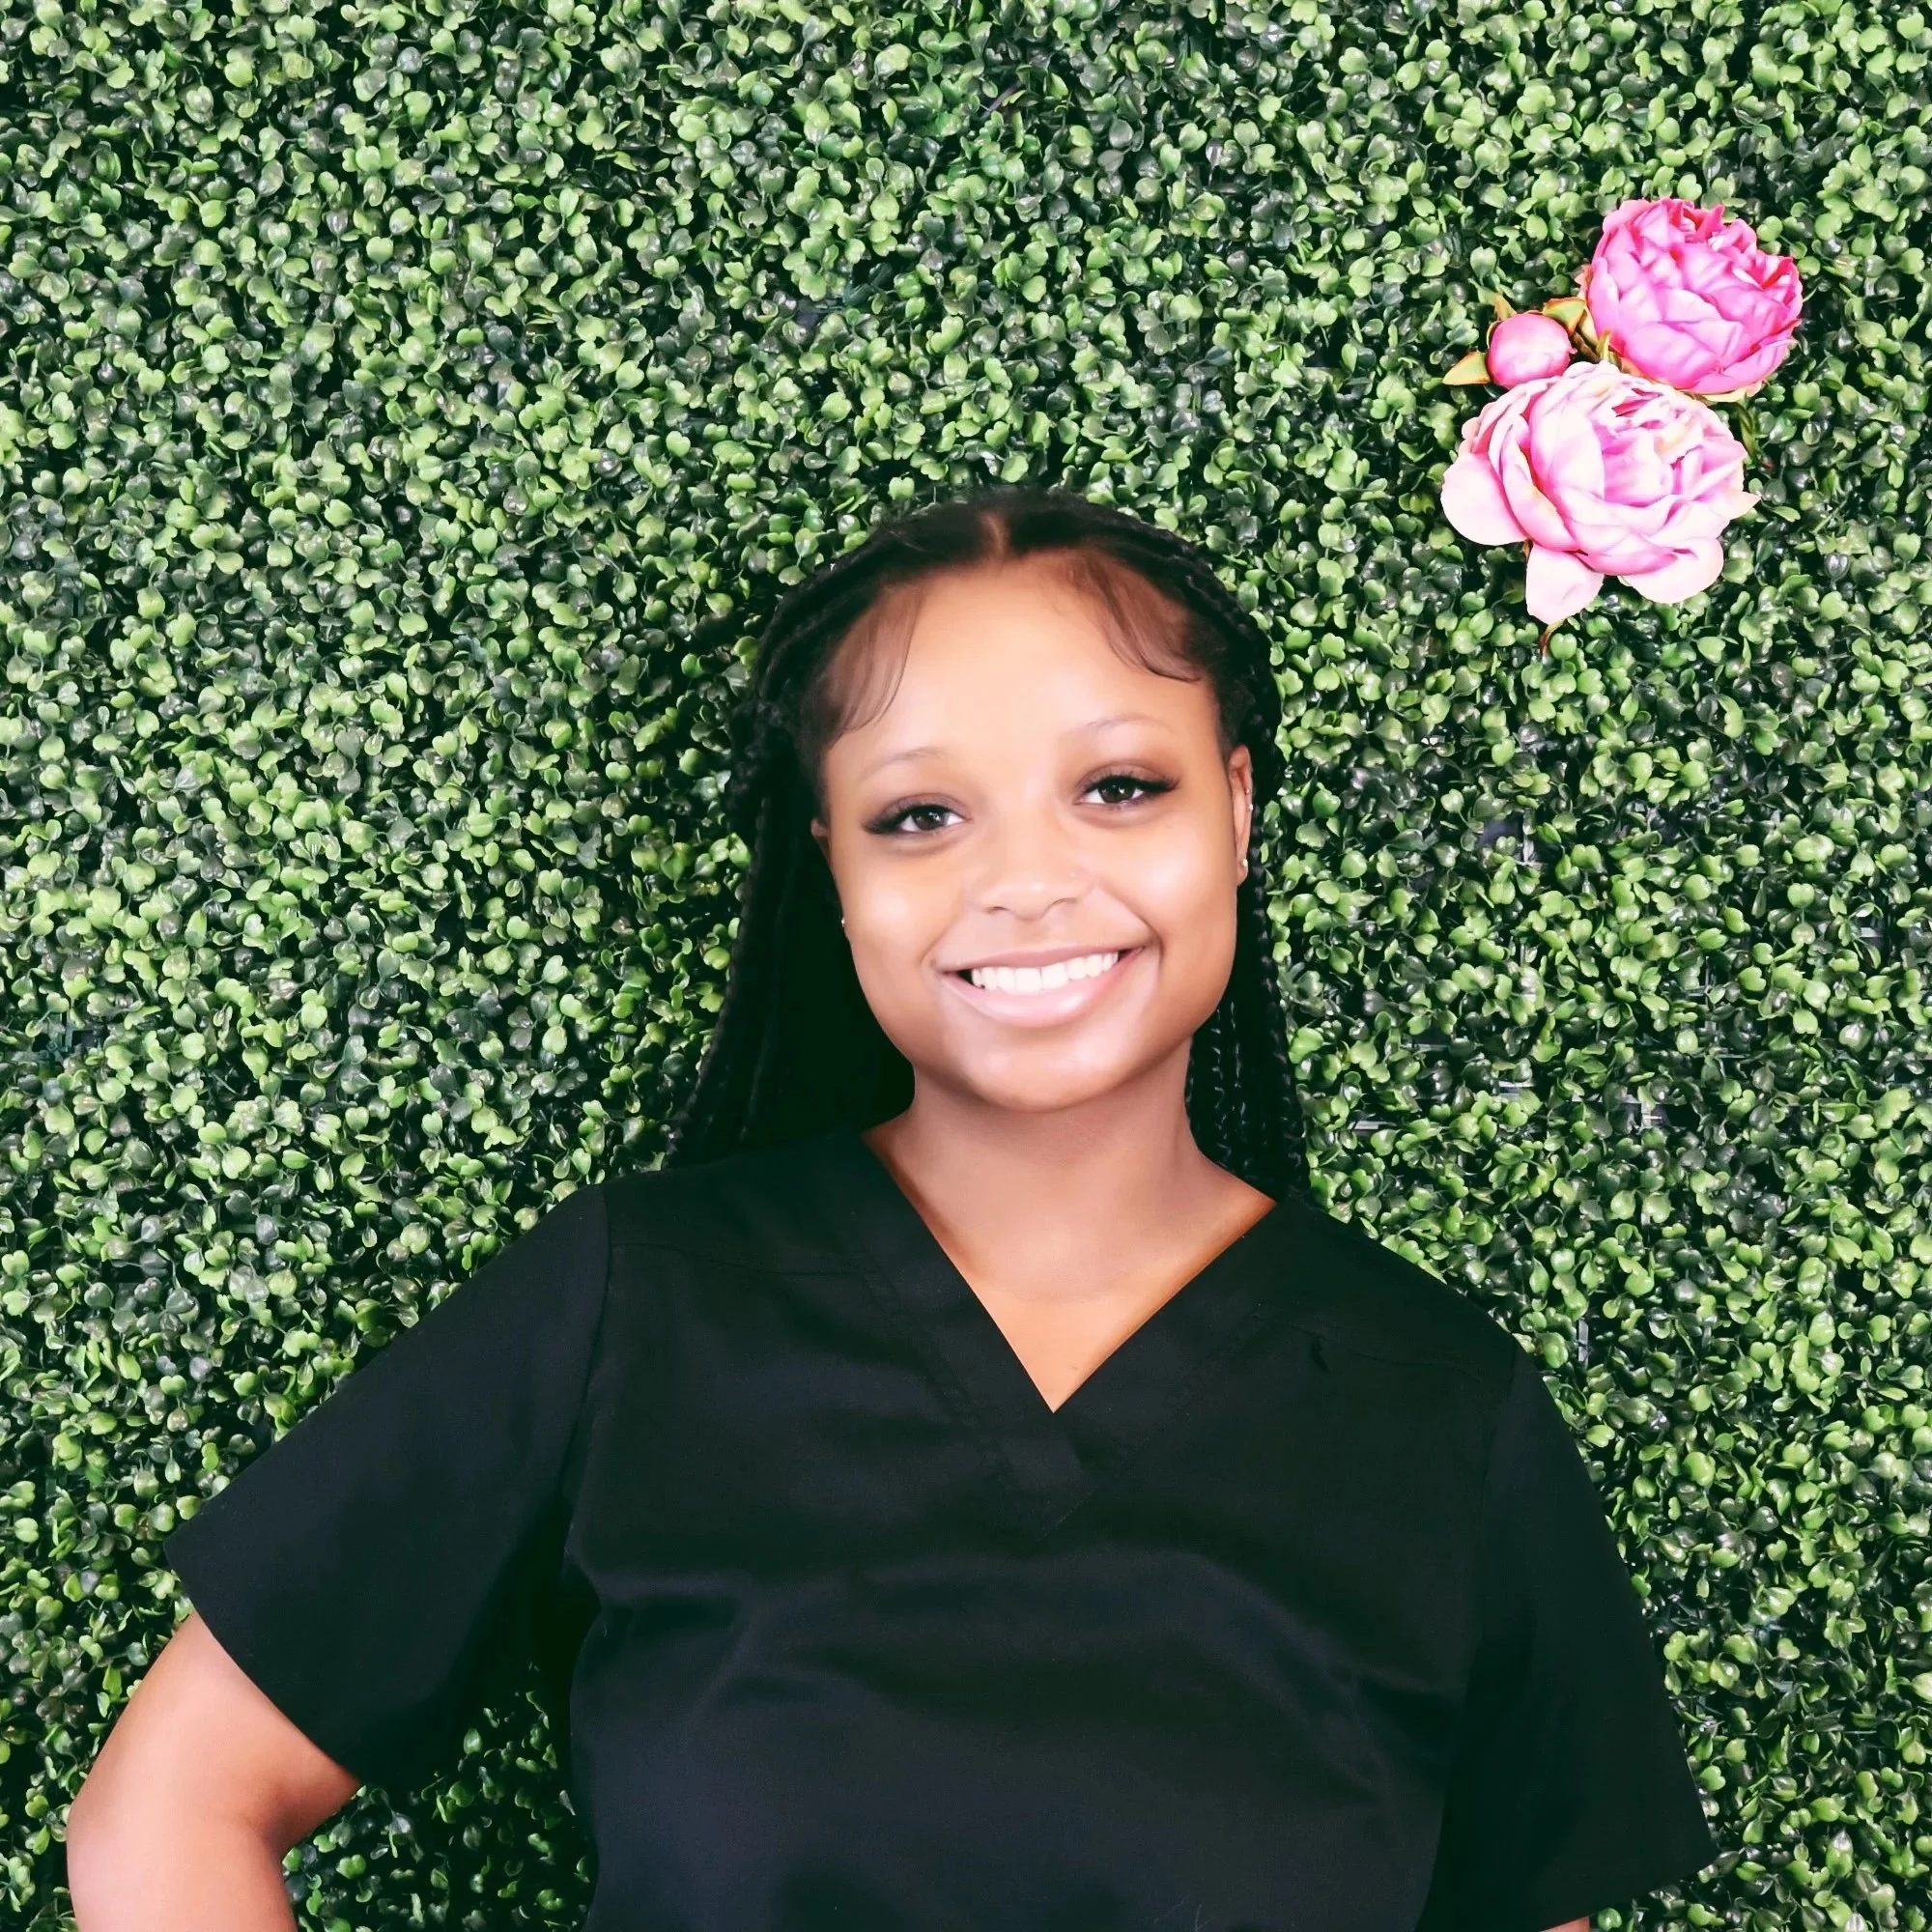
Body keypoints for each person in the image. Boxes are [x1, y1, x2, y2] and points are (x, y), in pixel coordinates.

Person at [67, 487, 1719, 1931]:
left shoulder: (1441, 1404)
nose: (1024, 879)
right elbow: (169, 1809)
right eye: (921, 814)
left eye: (1120, 788)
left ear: (1240, 813)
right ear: (831, 868)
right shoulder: (631, 1304)